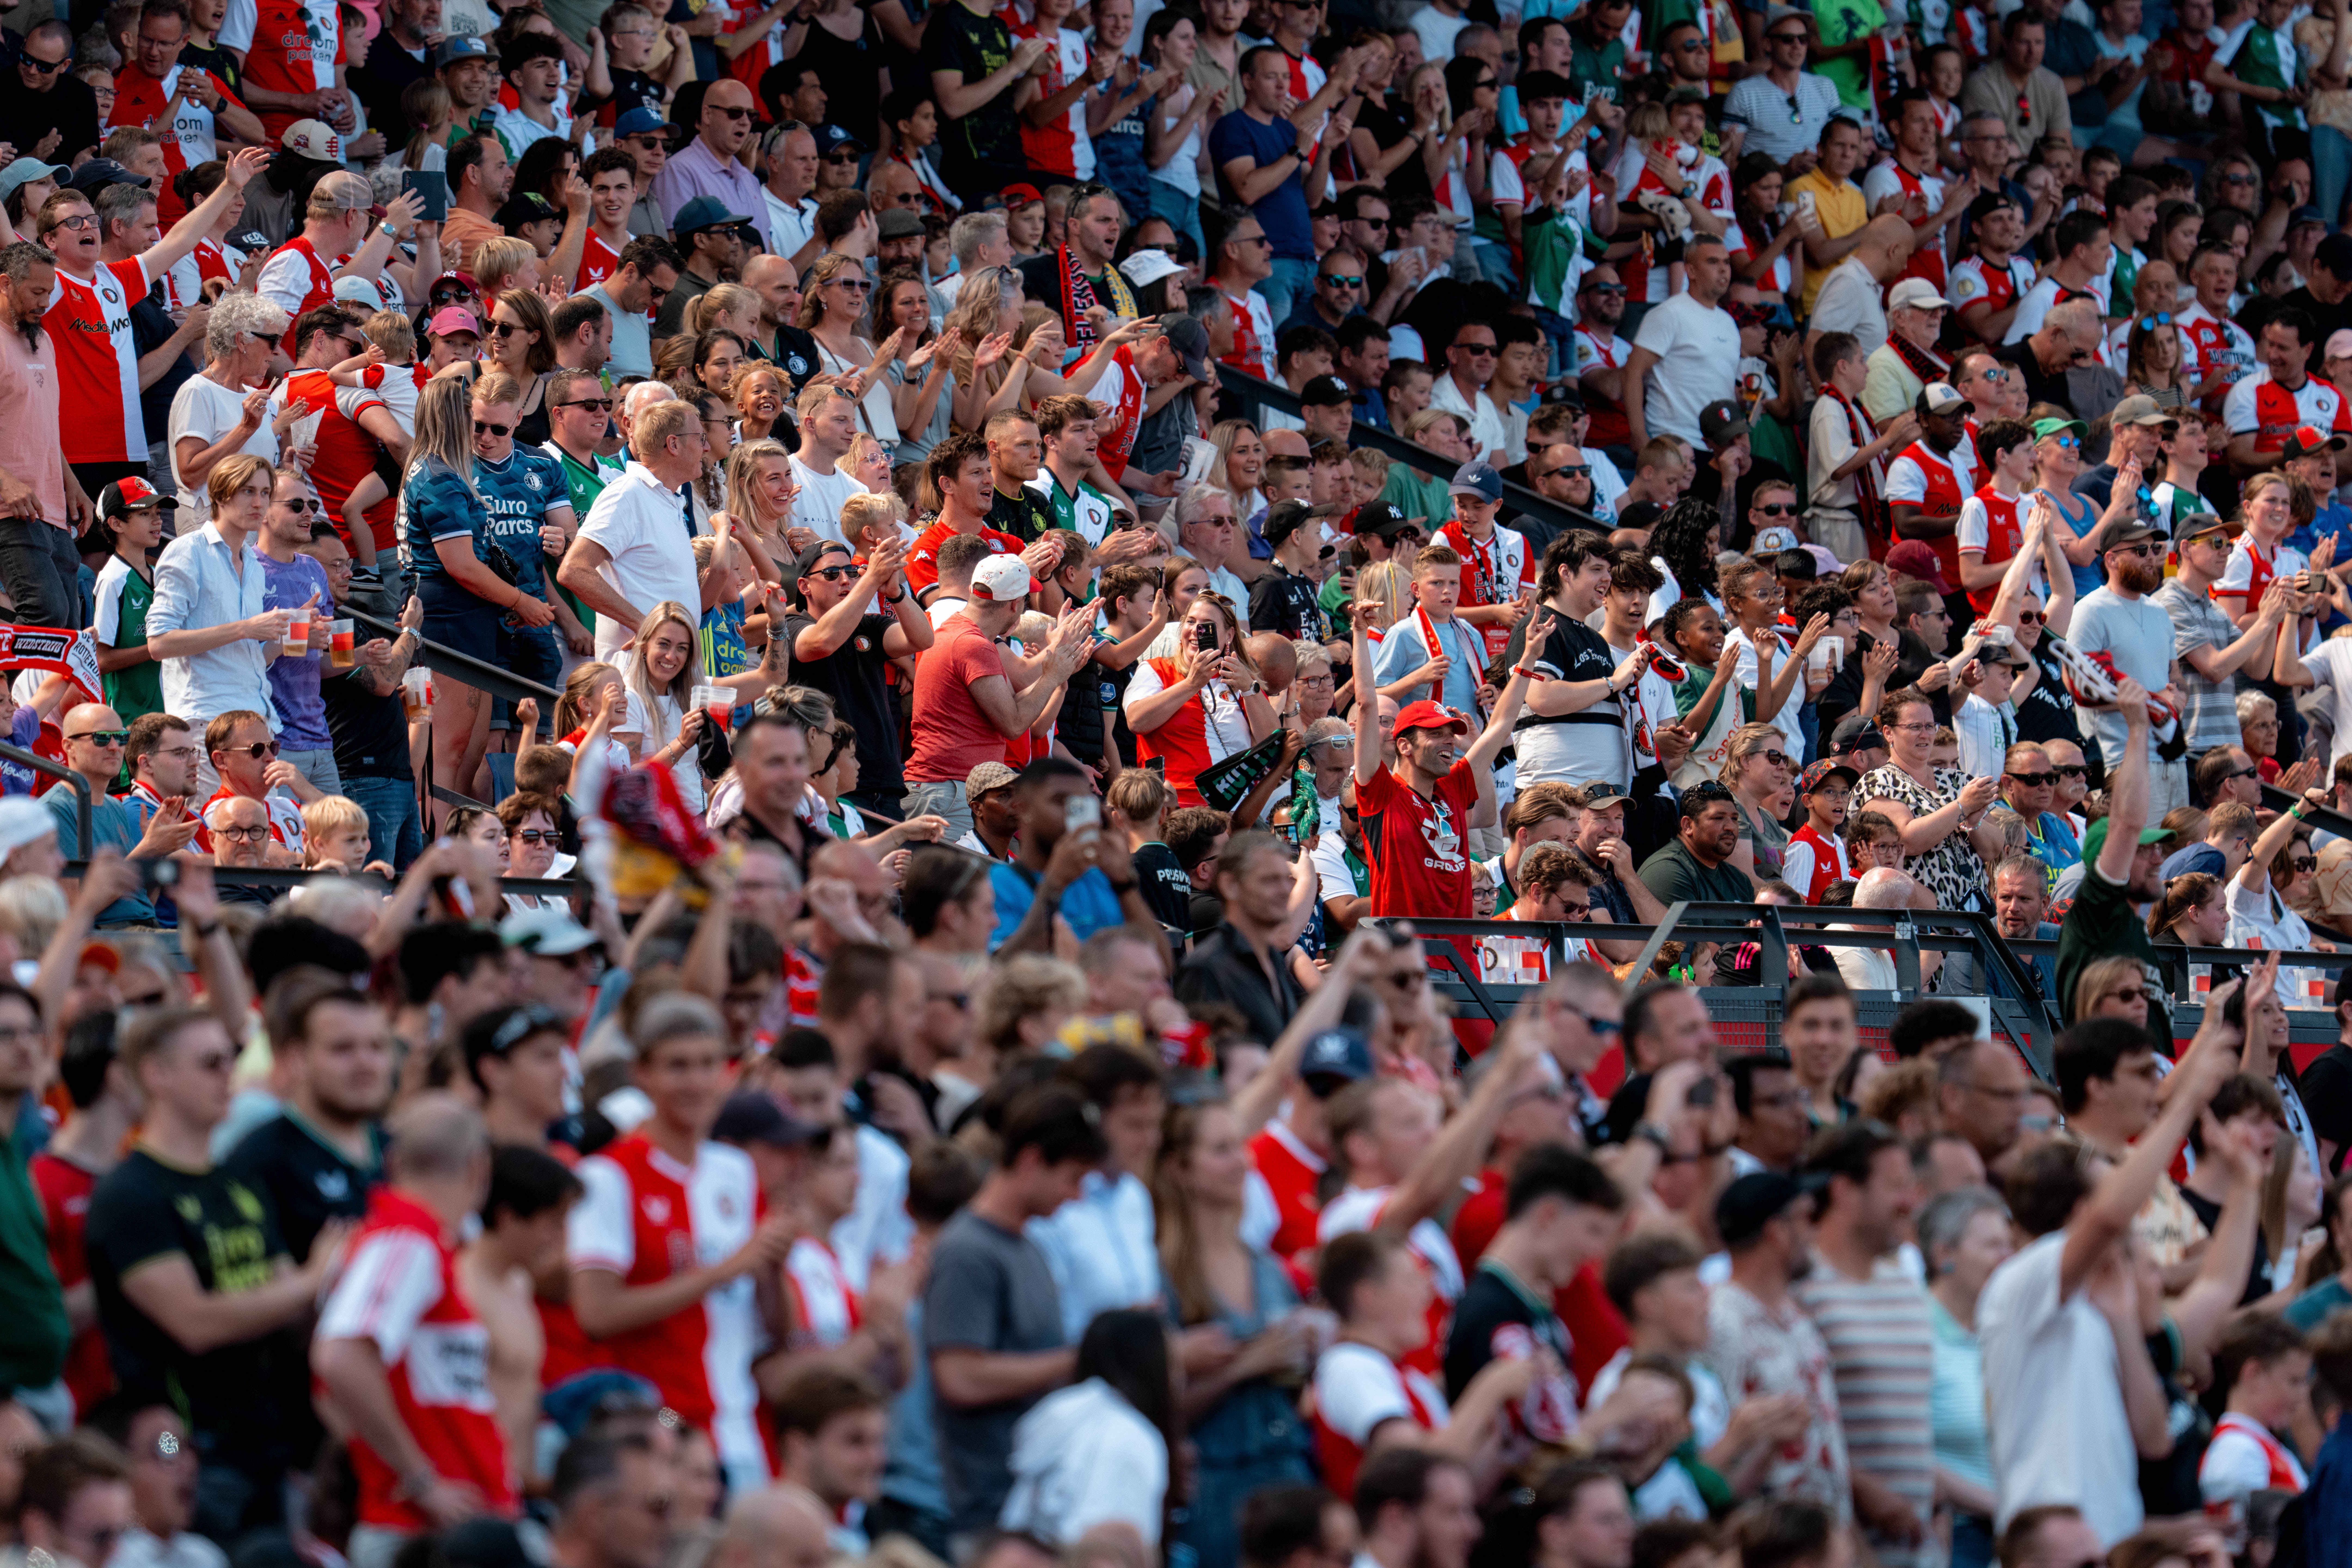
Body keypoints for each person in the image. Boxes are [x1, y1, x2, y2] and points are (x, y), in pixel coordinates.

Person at [86, 1004, 344, 1542]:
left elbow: (289, 1304)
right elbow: (194, 1323)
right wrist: (311, 1279)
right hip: (180, 1446)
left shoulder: (239, 1183)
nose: (229, 1075)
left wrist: (314, 1288)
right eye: (210, 1063)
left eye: (231, 1060)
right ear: (157, 1075)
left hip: (266, 1440)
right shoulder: (129, 1195)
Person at [1978, 1023, 2239, 1547]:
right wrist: (2186, 1102)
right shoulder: (2021, 1284)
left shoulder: (2103, 1310)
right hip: (2049, 1550)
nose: (2126, 1214)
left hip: (2114, 1545)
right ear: (2081, 1210)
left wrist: (2250, 1182)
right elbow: (2110, 1217)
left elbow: (2153, 1437)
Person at [567, 994, 784, 1496]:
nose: (696, 1083)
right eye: (678, 1067)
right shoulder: (608, 1177)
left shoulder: (737, 1171)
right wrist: (721, 1271)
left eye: (709, 1065)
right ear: (643, 1074)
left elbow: (770, 1322)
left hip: (741, 1424)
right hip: (662, 1421)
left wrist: (774, 1265)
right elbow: (596, 1313)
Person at [312, 1095, 507, 1568]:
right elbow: (339, 1360)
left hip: (445, 1528)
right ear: (479, 1168)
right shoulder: (406, 1240)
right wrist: (420, 1480)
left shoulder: (409, 1240)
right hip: (421, 1535)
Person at [924, 1083, 1105, 1537]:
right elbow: (959, 1376)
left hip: (1031, 1504)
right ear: (1031, 1162)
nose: (1077, 1196)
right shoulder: (968, 1252)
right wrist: (1081, 1359)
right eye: (1072, 1178)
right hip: (988, 1509)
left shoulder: (1030, 1249)